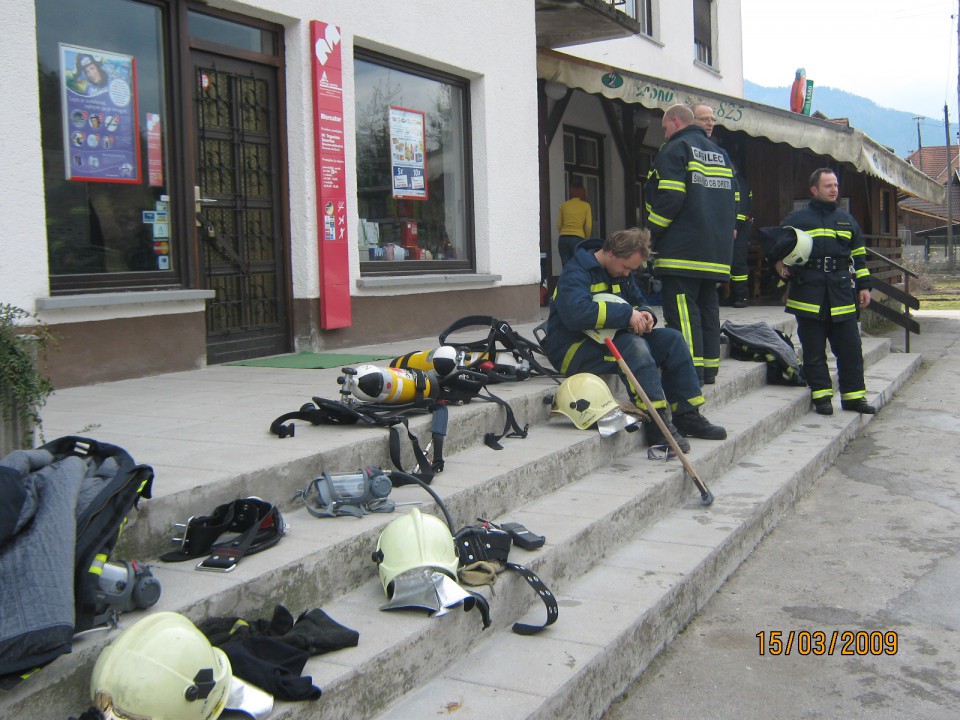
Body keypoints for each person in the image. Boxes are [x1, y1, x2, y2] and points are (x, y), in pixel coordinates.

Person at [543, 227, 726, 450]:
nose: (628, 274)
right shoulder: (576, 272)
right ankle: (657, 423)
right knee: (635, 347)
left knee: (673, 340)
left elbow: (639, 301)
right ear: (611, 253)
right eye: (626, 267)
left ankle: (687, 415)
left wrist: (646, 314)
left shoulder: (619, 272)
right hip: (573, 350)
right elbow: (576, 314)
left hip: (611, 340)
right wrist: (627, 315)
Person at [646, 104, 736, 385]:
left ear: (674, 122)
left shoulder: (675, 149)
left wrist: (649, 236)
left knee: (683, 313)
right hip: (715, 253)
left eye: (664, 128)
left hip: (682, 251)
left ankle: (689, 371)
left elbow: (671, 198)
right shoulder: (721, 155)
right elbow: (733, 202)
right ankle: (709, 369)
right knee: (708, 310)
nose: (664, 134)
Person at [774, 168, 875, 416]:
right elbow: (774, 245)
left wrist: (864, 286)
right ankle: (822, 398)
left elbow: (859, 257)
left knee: (851, 348)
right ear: (814, 190)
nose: (834, 190)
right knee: (814, 351)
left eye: (836, 185)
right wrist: (779, 266)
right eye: (828, 186)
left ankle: (854, 397)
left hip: (841, 294)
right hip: (809, 294)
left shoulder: (846, 220)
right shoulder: (796, 220)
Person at [693, 104, 752, 308]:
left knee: (737, 262)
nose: (710, 123)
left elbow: (740, 204)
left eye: (712, 120)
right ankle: (732, 295)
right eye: (704, 119)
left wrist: (735, 226)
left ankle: (741, 296)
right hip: (725, 227)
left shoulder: (739, 182)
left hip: (739, 227)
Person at [557, 183, 593, 266]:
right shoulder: (586, 206)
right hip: (578, 238)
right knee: (577, 265)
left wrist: (563, 232)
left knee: (566, 266)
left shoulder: (564, 205)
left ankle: (566, 279)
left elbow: (558, 224)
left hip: (563, 238)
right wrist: (586, 239)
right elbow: (588, 226)